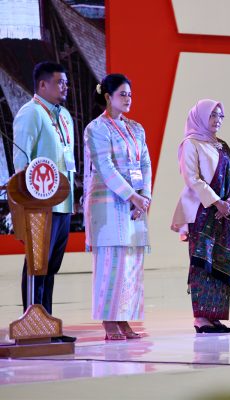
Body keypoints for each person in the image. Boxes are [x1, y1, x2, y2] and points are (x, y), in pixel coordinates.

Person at [84, 74, 151, 340]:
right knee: (111, 264)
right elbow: (105, 167)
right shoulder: (96, 128)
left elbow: (145, 163)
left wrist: (145, 196)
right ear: (107, 97)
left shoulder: (136, 128)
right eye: (122, 94)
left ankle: (124, 318)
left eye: (130, 94)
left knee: (131, 264)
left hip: (135, 205)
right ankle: (108, 321)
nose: (128, 99)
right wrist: (133, 196)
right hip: (108, 205)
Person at [13, 61, 76, 342]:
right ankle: (32, 325)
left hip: (63, 203)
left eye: (66, 83)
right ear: (42, 84)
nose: (65, 87)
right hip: (40, 206)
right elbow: (21, 158)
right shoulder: (31, 113)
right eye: (60, 82)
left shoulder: (64, 116)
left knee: (50, 268)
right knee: (36, 266)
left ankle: (47, 325)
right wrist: (26, 201)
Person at [171, 99, 230, 333]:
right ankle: (201, 318)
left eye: (221, 116)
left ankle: (216, 316)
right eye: (213, 115)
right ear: (200, 116)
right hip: (201, 212)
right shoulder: (190, 144)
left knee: (222, 261)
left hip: (224, 213)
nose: (217, 120)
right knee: (203, 262)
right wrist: (216, 202)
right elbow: (191, 178)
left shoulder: (223, 146)